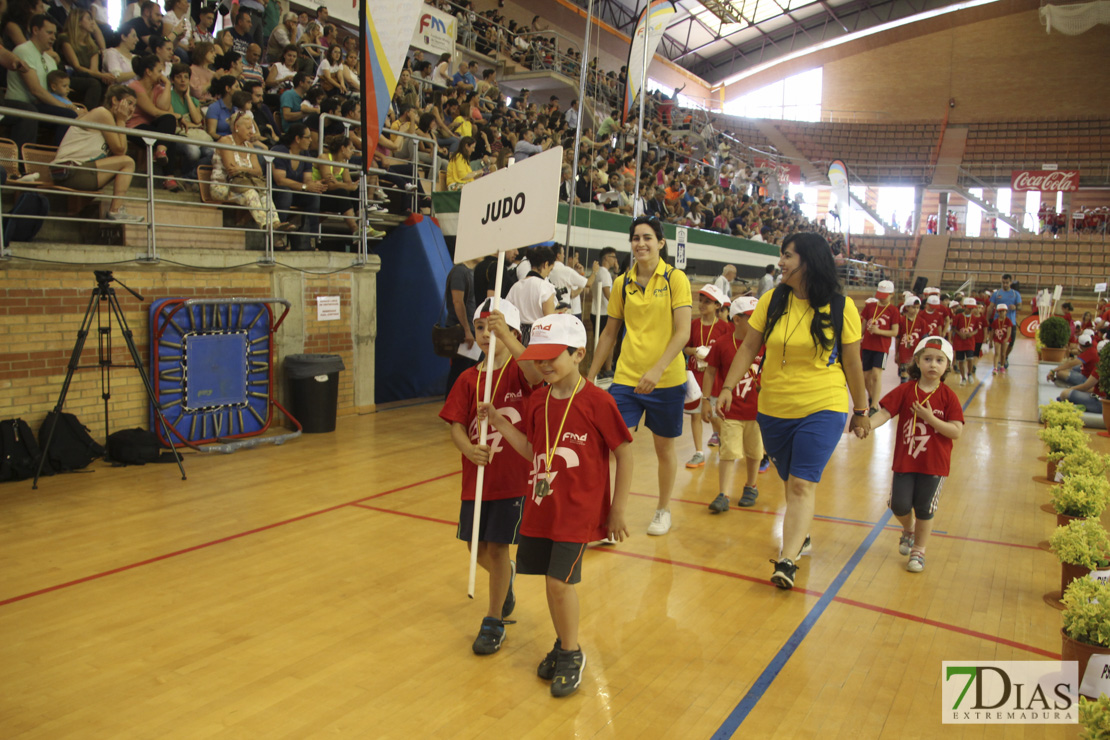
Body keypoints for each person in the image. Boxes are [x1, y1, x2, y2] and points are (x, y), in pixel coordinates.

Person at [478, 314, 633, 698]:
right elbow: (533, 451)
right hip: (542, 508)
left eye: (553, 357)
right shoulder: (537, 401)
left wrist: (617, 509)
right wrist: (498, 420)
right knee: (551, 585)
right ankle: (562, 642)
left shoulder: (598, 401)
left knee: (558, 584)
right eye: (539, 358)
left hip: (579, 514)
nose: (544, 365)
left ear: (579, 353)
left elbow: (625, 454)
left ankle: (570, 653)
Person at [718, 232, 871, 589]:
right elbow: (748, 348)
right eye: (782, 255)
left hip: (824, 405)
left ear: (808, 260)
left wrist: (861, 409)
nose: (781, 262)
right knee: (791, 480)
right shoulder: (772, 300)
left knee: (802, 483)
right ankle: (800, 534)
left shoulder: (840, 306)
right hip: (773, 407)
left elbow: (852, 360)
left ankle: (787, 559)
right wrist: (727, 387)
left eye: (787, 256)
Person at [439, 300, 541, 655]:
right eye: (480, 327)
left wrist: (509, 339)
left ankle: (493, 620)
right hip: (476, 479)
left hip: (510, 481)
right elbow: (455, 426)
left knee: (497, 549)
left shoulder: (519, 372)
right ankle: (505, 577)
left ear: (513, 333)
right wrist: (467, 449)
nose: (485, 334)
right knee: (475, 550)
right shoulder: (469, 379)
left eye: (493, 327)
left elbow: (536, 372)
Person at [586, 215, 692, 537]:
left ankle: (663, 510)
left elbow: (683, 332)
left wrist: (658, 369)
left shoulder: (676, 279)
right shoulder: (622, 283)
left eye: (648, 237)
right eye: (636, 238)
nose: (641, 243)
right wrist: (589, 377)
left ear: (661, 243)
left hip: (667, 380)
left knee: (664, 450)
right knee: (611, 444)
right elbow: (609, 333)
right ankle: (608, 514)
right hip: (627, 378)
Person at [865, 336, 964, 573]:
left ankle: (919, 550)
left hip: (934, 465)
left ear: (947, 366)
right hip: (905, 461)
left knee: (924, 509)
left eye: (939, 360)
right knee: (898, 504)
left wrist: (931, 419)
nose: (933, 364)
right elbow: (886, 413)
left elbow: (956, 431)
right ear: (917, 362)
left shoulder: (949, 397)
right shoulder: (906, 390)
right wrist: (867, 425)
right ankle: (908, 528)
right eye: (927, 359)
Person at [49, 84, 143, 223]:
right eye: (129, 103)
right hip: (69, 170)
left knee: (125, 162)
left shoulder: (112, 119)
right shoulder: (102, 113)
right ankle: (115, 211)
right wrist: (121, 121)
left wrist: (120, 122)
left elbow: (120, 151)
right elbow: (120, 150)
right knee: (128, 162)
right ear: (115, 101)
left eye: (134, 106)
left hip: (79, 170)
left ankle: (116, 210)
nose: (131, 109)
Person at [704, 295, 764, 511]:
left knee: (755, 451)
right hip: (729, 411)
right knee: (728, 452)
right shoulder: (722, 344)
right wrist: (705, 401)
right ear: (737, 319)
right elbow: (710, 372)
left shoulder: (765, 345)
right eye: (751, 317)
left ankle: (751, 485)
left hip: (757, 411)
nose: (758, 322)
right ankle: (723, 494)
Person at [209, 109, 290, 233]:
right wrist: (248, 170)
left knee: (264, 193)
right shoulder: (225, 141)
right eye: (248, 128)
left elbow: (258, 171)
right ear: (236, 127)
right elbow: (232, 170)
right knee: (251, 193)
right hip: (223, 186)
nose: (251, 132)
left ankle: (275, 222)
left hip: (245, 185)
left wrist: (241, 169)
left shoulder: (249, 146)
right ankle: (266, 225)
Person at [6, 13, 78, 143]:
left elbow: (58, 91)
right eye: (49, 33)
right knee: (69, 115)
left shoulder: (50, 60)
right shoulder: (24, 50)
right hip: (22, 104)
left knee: (77, 115)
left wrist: (74, 107)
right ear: (35, 30)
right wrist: (66, 107)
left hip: (41, 105)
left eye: (54, 34)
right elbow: (36, 90)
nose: (53, 38)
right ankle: (61, 158)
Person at [683, 284, 729, 469]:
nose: (702, 304)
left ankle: (723, 442)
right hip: (695, 376)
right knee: (695, 414)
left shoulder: (725, 328)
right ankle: (698, 452)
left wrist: (714, 353)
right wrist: (695, 351)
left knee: (716, 415)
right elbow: (685, 347)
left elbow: (730, 351)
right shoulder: (693, 324)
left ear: (717, 305)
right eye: (701, 301)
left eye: (707, 302)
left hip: (715, 378)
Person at [270, 123, 327, 251]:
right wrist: (305, 186)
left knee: (313, 196)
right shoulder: (280, 151)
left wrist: (313, 185)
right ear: (297, 139)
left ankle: (310, 239)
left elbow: (307, 179)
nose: (311, 140)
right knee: (285, 193)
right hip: (275, 190)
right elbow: (280, 180)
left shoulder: (305, 154)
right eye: (308, 137)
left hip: (295, 190)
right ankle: (278, 236)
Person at [444, 257, 481, 396]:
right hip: (462, 332)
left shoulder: (469, 272)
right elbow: (457, 301)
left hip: (469, 330)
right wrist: (466, 330)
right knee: (460, 372)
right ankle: (452, 407)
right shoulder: (460, 271)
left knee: (467, 371)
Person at [860, 280, 898, 411]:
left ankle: (874, 405)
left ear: (891, 294)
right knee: (866, 377)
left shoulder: (893, 311)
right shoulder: (870, 307)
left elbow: (895, 331)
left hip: (881, 347)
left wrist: (878, 331)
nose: (882, 298)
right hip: (867, 346)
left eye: (885, 295)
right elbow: (863, 327)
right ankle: (872, 397)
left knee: (876, 374)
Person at [505, 245, 557, 339]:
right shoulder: (545, 287)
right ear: (546, 264)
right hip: (538, 338)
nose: (549, 273)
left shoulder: (516, 286)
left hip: (517, 338)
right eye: (550, 269)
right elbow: (550, 321)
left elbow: (507, 313)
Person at [1058, 340, 1108, 413]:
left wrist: (1070, 389)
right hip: (1103, 401)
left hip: (1101, 404)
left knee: (1065, 393)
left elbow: (1086, 386)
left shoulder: (1101, 365)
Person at [989, 274, 1022, 369]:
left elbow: (1020, 306)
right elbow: (991, 306)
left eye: (1007, 282)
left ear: (1010, 282)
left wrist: (1016, 307)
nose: (1005, 284)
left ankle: (1005, 356)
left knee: (1011, 342)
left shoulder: (1016, 294)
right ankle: (999, 360)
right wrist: (988, 319)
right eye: (1003, 282)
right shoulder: (997, 293)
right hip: (998, 322)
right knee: (997, 341)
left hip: (1010, 322)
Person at [951, 298, 980, 385]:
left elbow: (977, 329)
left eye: (972, 308)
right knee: (961, 360)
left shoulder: (975, 318)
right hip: (959, 341)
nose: (971, 310)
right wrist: (960, 333)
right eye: (969, 308)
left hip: (970, 341)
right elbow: (953, 328)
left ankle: (970, 374)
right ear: (964, 307)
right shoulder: (958, 317)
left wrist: (972, 333)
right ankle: (963, 378)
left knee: (970, 358)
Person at [895, 296, 923, 384]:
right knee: (904, 378)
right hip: (904, 353)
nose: (916, 310)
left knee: (914, 378)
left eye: (918, 308)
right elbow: (898, 338)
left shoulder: (922, 322)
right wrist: (897, 353)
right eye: (914, 307)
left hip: (916, 354)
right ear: (907, 307)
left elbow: (924, 339)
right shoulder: (901, 321)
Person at [988, 304, 1013, 374]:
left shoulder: (1008, 321)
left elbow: (1009, 330)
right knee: (997, 353)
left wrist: (1007, 338)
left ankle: (1002, 365)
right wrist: (990, 341)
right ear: (997, 312)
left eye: (1003, 311)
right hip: (997, 339)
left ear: (1006, 312)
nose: (1001, 313)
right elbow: (992, 332)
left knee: (1003, 353)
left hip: (1005, 339)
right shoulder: (995, 321)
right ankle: (995, 367)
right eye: (1000, 311)